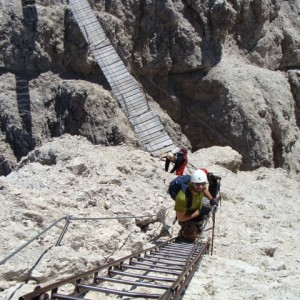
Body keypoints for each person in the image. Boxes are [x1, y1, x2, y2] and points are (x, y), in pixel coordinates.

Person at [174, 169, 218, 242]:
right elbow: (181, 218)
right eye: (197, 184)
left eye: (203, 184)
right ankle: (183, 235)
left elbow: (204, 189)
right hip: (186, 216)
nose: (200, 187)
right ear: (192, 184)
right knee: (190, 236)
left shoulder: (199, 188)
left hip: (196, 211)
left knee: (196, 228)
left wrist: (211, 199)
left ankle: (194, 228)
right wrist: (200, 212)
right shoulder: (182, 197)